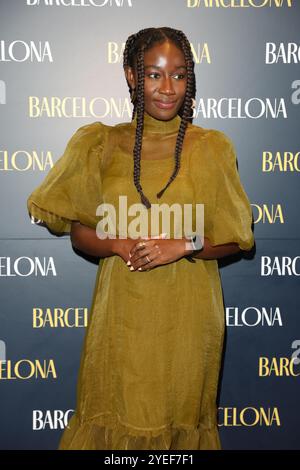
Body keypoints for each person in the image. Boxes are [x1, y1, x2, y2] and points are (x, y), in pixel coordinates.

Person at [27, 27, 254, 450]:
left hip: (187, 318)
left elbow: (237, 239)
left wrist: (183, 245)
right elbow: (79, 232)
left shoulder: (211, 148)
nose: (168, 88)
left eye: (179, 75)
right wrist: (117, 244)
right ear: (132, 75)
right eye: (154, 75)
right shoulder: (102, 143)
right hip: (121, 319)